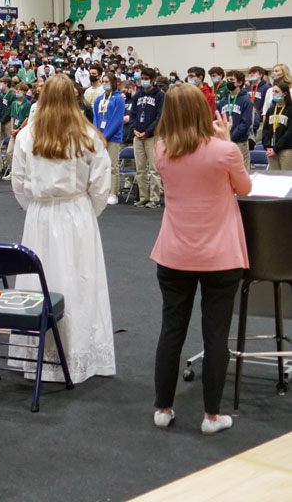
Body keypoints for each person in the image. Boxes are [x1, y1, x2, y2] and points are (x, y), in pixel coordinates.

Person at [151, 84, 251, 435]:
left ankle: (162, 408)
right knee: (216, 335)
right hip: (220, 256)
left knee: (171, 330)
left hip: (174, 253)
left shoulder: (160, 149)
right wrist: (227, 141)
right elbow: (245, 188)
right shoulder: (224, 151)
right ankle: (211, 415)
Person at [9, 73, 115, 384]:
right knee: (80, 282)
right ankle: (79, 351)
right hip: (76, 213)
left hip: (42, 215)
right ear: (74, 98)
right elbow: (101, 186)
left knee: (40, 281)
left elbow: (19, 183)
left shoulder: (28, 135)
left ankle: (39, 356)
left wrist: (37, 208)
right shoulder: (89, 136)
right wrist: (85, 211)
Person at [129, 67, 164, 208]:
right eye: (141, 78)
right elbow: (132, 114)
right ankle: (143, 197)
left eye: (145, 79)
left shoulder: (160, 95)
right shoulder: (138, 95)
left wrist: (148, 132)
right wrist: (134, 129)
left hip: (152, 136)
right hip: (138, 136)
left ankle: (154, 198)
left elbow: (159, 117)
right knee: (140, 168)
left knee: (154, 169)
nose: (143, 81)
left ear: (153, 80)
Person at [93, 73, 125, 205]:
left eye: (107, 81)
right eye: (103, 81)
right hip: (100, 137)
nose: (105, 84)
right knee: (100, 165)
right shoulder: (99, 99)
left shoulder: (118, 99)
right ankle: (102, 191)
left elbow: (117, 119)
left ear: (113, 83)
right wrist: (97, 134)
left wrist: (105, 135)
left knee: (113, 166)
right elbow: (95, 117)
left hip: (113, 137)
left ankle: (113, 192)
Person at [217, 70, 253, 171]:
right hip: (224, 142)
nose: (229, 82)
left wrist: (232, 138)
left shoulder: (245, 100)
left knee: (241, 170)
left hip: (239, 142)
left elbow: (245, 123)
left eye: (232, 80)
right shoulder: (223, 100)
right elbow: (217, 119)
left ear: (240, 83)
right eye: (227, 79)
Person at [263, 81, 292, 171]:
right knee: (275, 178)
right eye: (273, 91)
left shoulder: (290, 109)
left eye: (276, 92)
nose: (274, 94)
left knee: (286, 178)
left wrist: (277, 148)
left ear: (284, 94)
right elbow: (265, 130)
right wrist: (267, 146)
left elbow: (289, 132)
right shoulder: (271, 110)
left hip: (285, 149)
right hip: (271, 149)